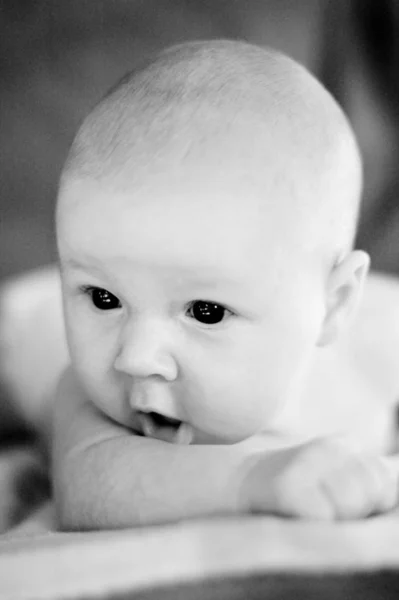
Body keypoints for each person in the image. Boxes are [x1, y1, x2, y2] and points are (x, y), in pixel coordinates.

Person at [52, 40, 399, 531]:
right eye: (103, 299)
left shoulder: (377, 347)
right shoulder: (88, 393)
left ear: (334, 303)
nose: (135, 357)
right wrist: (249, 478)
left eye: (206, 311)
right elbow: (90, 487)